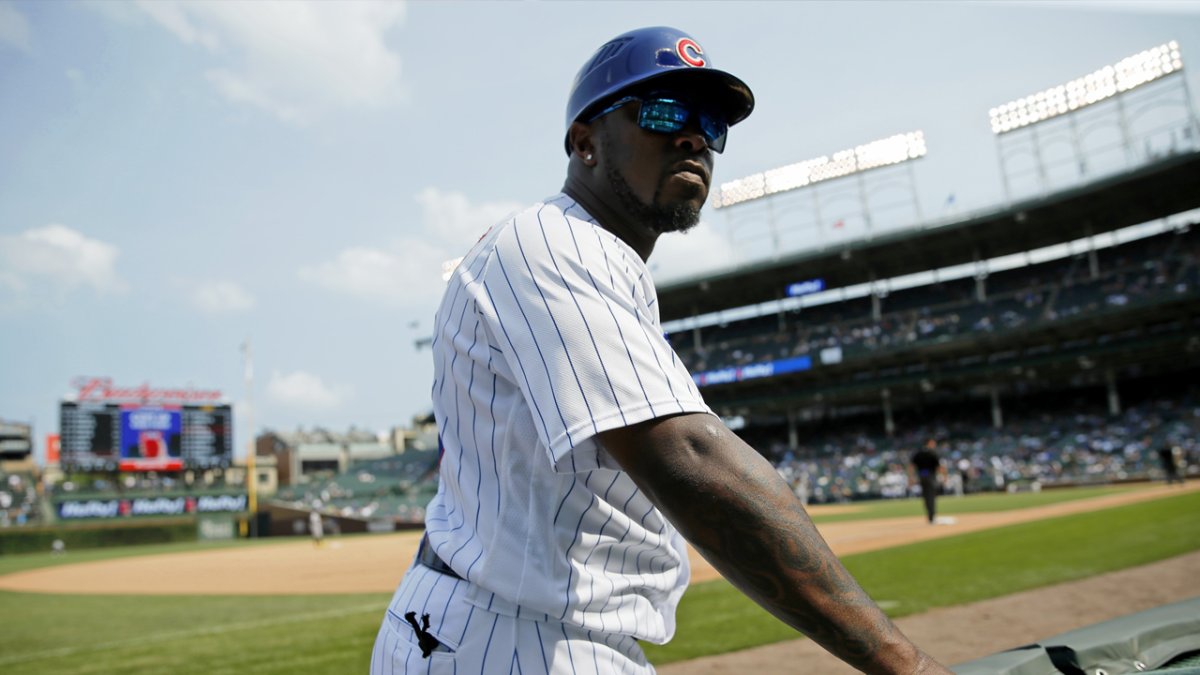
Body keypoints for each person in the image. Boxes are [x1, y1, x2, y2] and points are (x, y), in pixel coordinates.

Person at [371, 26, 951, 674]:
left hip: (500, 630)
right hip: (511, 640)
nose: (694, 136)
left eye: (710, 123)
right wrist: (909, 665)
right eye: (664, 111)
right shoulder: (551, 243)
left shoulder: (597, 261)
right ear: (585, 142)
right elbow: (693, 458)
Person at [911, 440, 943, 524]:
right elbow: (939, 466)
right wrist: (943, 477)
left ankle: (930, 515)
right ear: (929, 443)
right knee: (931, 496)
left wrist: (911, 477)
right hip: (930, 476)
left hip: (922, 476)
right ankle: (932, 516)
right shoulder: (932, 453)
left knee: (926, 496)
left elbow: (911, 465)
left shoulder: (918, 453)